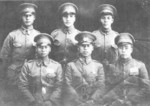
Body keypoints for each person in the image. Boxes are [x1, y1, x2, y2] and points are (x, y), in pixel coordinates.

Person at [0, 3, 40, 106]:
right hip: (14, 75)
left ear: (34, 17)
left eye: (30, 15)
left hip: (31, 75)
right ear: (21, 17)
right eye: (25, 15)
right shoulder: (12, 35)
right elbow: (4, 58)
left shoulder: (38, 35)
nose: (27, 18)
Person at [102, 33, 150, 106]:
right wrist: (115, 100)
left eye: (126, 48)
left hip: (135, 103)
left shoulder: (140, 65)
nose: (123, 50)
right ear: (117, 49)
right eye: (121, 48)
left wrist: (132, 100)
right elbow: (108, 86)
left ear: (131, 49)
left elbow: (146, 87)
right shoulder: (111, 66)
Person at [19, 33, 63, 106]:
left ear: (50, 49)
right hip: (32, 102)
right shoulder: (28, 65)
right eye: (40, 47)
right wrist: (32, 101)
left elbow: (59, 86)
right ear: (36, 49)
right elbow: (22, 85)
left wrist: (51, 101)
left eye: (46, 47)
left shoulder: (57, 66)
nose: (43, 50)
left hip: (52, 103)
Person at [65, 31, 105, 106]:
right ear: (78, 48)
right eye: (83, 46)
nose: (85, 48)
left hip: (93, 103)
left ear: (92, 48)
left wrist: (92, 100)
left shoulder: (98, 66)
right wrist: (77, 100)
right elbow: (67, 85)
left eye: (88, 46)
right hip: (75, 102)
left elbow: (101, 86)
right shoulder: (70, 65)